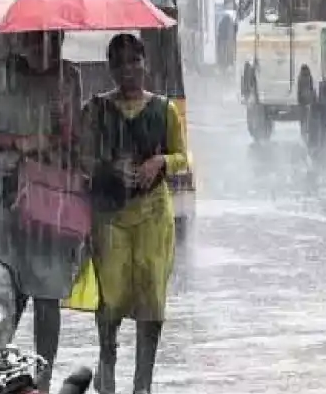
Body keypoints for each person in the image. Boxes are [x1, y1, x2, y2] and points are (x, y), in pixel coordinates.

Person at [0, 30, 84, 394]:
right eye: (38, 42)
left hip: (50, 203)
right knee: (0, 291)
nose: (47, 51)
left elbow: (76, 138)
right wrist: (16, 142)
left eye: (55, 42)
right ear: (22, 43)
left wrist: (62, 128)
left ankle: (43, 381)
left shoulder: (69, 77)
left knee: (48, 295)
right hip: (3, 201)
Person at [80, 33, 187, 394]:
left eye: (134, 61)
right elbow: (81, 159)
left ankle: (143, 384)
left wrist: (160, 161)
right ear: (110, 69)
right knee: (111, 299)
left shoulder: (164, 110)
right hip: (110, 216)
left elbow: (182, 157)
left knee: (152, 299)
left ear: (145, 64)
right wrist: (109, 169)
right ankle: (107, 367)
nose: (128, 70)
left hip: (153, 214)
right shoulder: (95, 110)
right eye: (119, 63)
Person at [215, 0, 237, 73]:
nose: (229, 5)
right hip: (224, 42)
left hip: (230, 42)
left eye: (230, 3)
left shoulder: (234, 15)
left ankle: (228, 65)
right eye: (227, 3)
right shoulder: (224, 16)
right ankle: (225, 66)